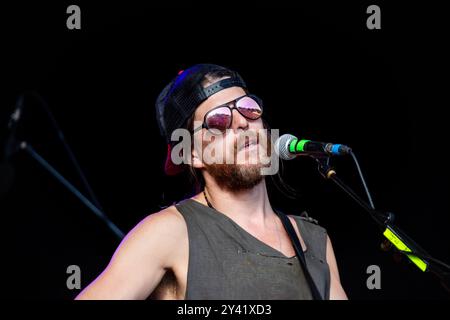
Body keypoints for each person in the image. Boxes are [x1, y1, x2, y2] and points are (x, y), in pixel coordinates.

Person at [75, 64, 348, 300]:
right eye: (218, 120)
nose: (241, 122)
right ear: (193, 153)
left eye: (249, 109)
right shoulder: (169, 232)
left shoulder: (314, 240)